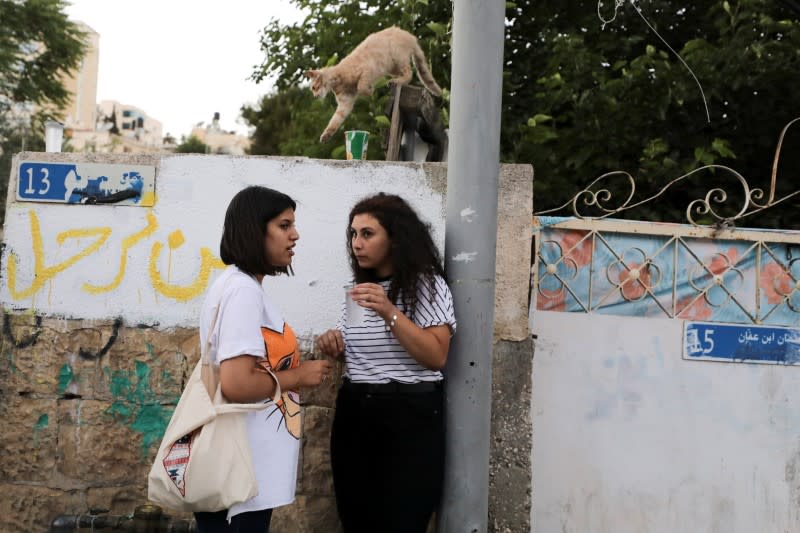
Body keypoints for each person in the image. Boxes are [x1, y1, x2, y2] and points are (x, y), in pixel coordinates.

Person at [194, 185, 332, 532]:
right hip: (241, 474)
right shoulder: (242, 292)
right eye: (284, 226)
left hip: (244, 471)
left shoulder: (239, 286)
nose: (295, 235)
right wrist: (300, 376)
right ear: (257, 230)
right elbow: (238, 383)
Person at [316, 193, 457, 533]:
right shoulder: (360, 290)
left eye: (367, 234)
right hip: (357, 410)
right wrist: (333, 342)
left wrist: (389, 311)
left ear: (395, 239)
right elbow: (359, 351)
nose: (356, 243)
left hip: (410, 414)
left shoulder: (427, 286)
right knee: (357, 519)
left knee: (403, 519)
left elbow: (436, 355)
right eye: (353, 234)